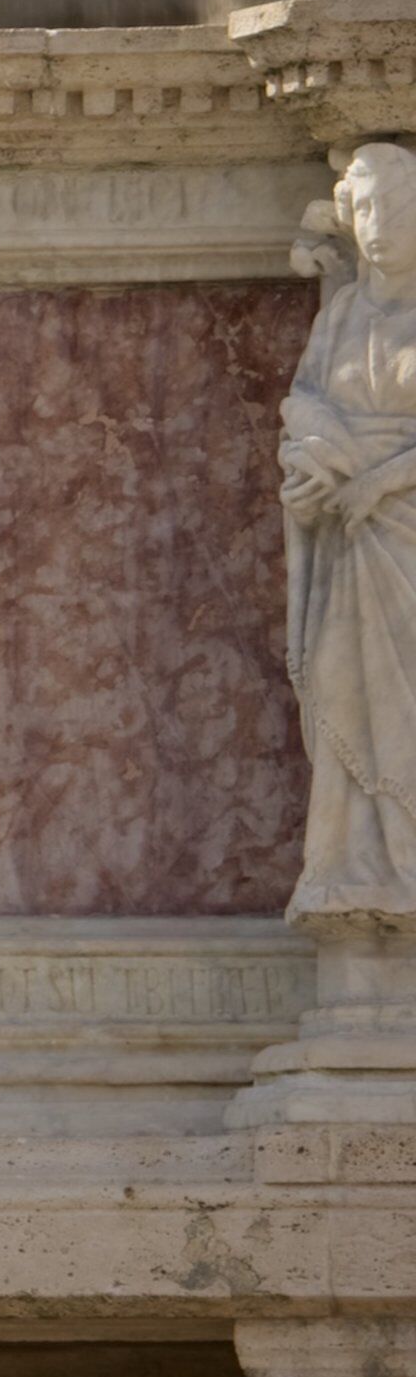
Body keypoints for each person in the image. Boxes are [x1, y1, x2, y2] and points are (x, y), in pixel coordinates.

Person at [279, 139, 416, 919]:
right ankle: (353, 866)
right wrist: (315, 467)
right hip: (349, 543)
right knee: (343, 687)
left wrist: (381, 480)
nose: (377, 227)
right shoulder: (339, 319)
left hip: (401, 527)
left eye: (394, 210)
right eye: (362, 212)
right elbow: (301, 404)